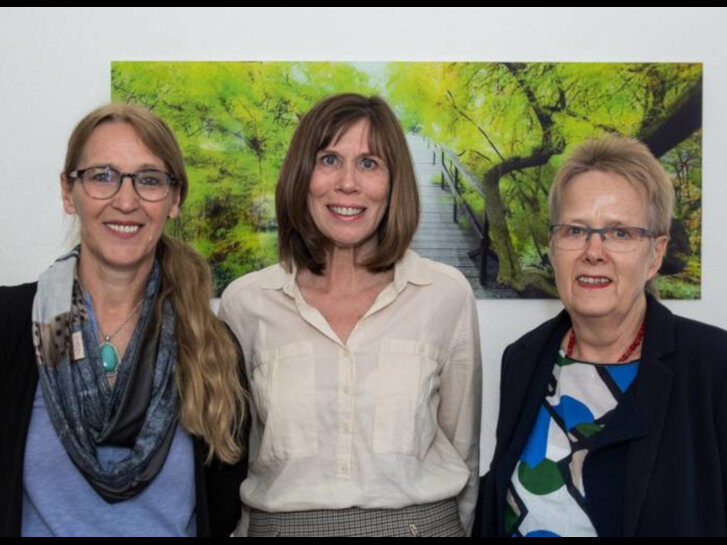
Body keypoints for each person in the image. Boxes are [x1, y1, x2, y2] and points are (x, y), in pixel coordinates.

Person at [220, 93, 481, 536]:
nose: (347, 183)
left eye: (369, 163)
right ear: (302, 176)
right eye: (328, 160)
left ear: (393, 181)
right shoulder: (245, 303)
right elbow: (232, 460)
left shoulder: (445, 295)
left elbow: (463, 452)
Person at [0, 104, 247, 537]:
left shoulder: (208, 342)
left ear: (174, 199)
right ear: (67, 191)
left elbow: (223, 503)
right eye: (102, 176)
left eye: (149, 179)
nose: (126, 200)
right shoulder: (21, 324)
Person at [476, 135, 727, 537]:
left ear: (656, 254)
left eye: (620, 233)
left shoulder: (713, 365)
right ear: (553, 245)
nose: (593, 251)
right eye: (575, 230)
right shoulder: (523, 358)